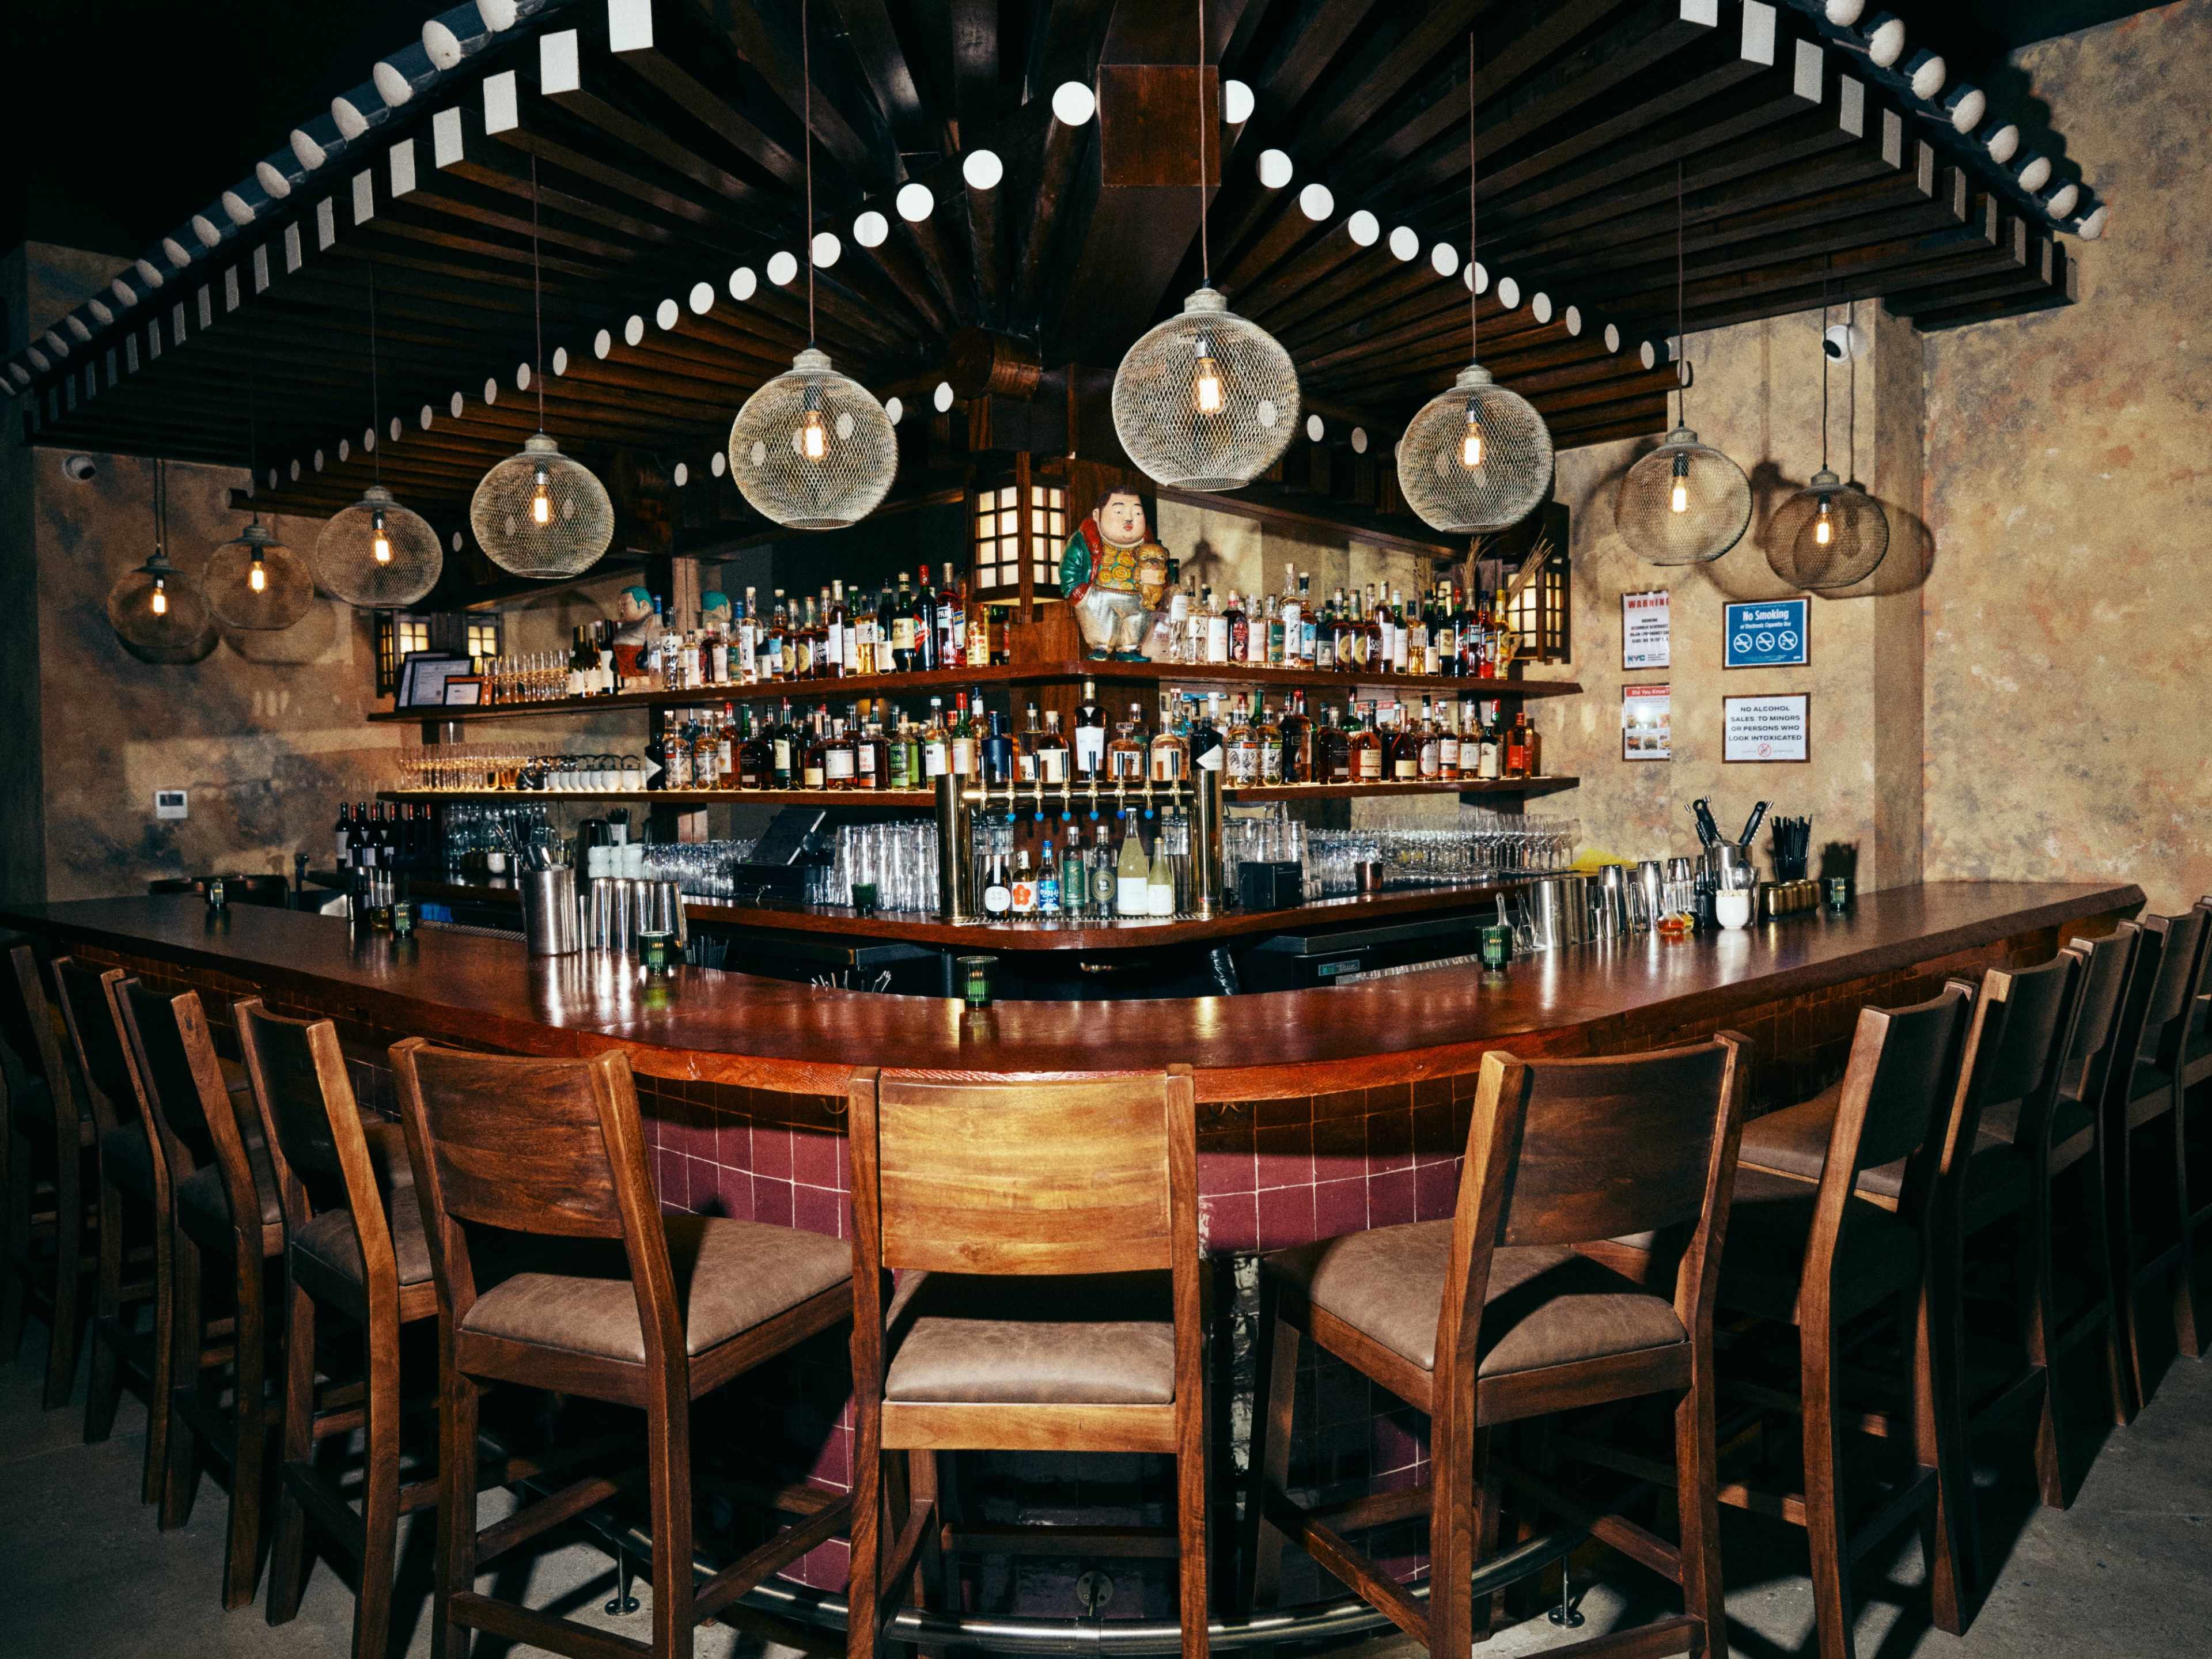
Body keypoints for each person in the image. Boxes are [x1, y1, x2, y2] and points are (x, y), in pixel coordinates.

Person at [1058, 487, 1171, 660]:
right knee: (1101, 625)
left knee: (1137, 622)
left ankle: (1130, 649)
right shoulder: (1085, 540)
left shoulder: (1152, 546)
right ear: (1097, 515)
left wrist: (1160, 584)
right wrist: (1078, 592)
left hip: (1139, 597)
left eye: (1137, 513)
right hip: (1099, 595)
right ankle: (1101, 648)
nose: (1129, 519)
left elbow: (1167, 575)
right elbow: (1069, 567)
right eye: (1119, 511)